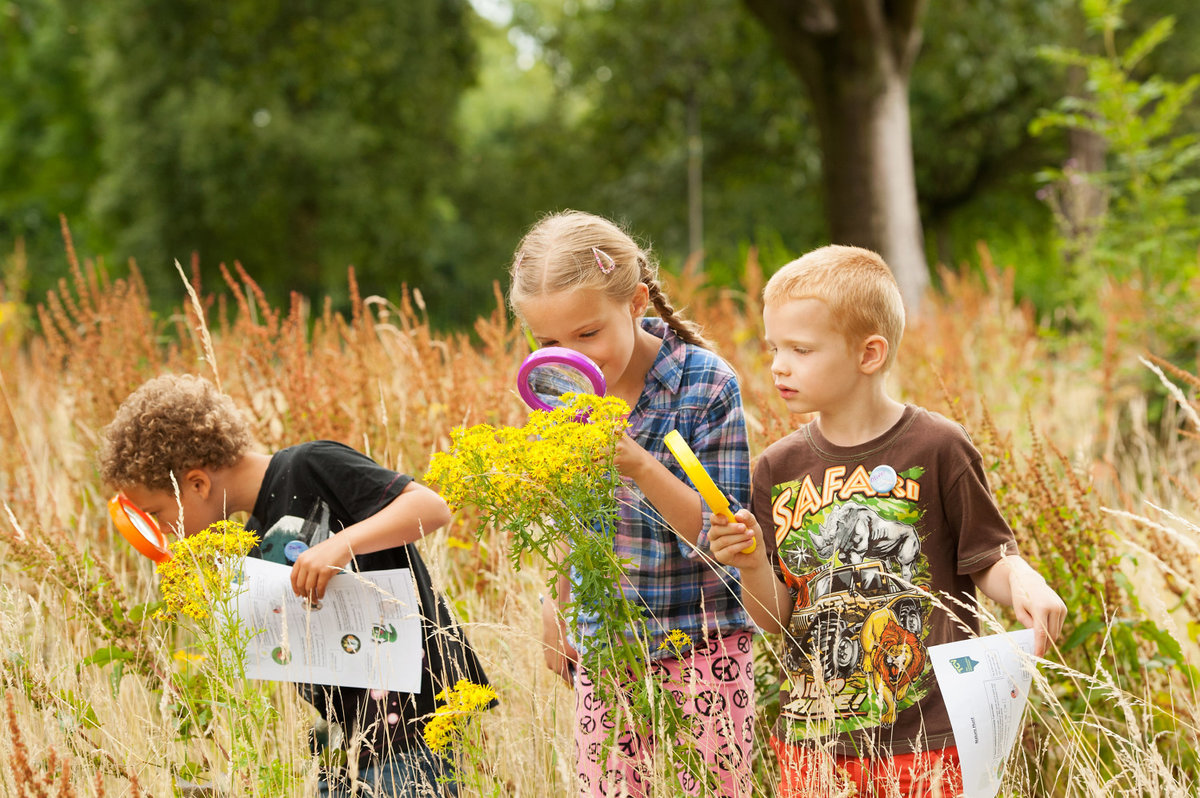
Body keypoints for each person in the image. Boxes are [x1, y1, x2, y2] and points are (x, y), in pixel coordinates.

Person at [709, 245, 1067, 797]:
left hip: (932, 737)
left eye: (801, 349)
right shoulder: (777, 468)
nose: (779, 364)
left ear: (869, 354)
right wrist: (753, 563)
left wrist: (1024, 577)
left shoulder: (938, 446)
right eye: (774, 347)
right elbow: (773, 619)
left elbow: (988, 559)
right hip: (815, 743)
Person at [99, 374, 492, 798]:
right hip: (345, 742)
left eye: (157, 514)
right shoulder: (252, 540)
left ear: (197, 483)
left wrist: (341, 544)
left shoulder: (310, 465)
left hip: (417, 727)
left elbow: (430, 508)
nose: (164, 531)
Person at [508, 210, 757, 797]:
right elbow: (573, 512)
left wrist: (642, 466)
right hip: (608, 645)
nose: (575, 360)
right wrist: (556, 599)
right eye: (548, 343)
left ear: (637, 302)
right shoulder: (554, 392)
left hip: (703, 639)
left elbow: (720, 537)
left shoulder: (706, 386)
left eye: (588, 334)